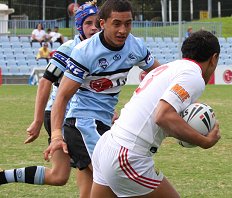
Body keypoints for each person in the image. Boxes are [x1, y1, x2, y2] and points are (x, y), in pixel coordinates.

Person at [43, 0, 160, 197]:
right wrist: (56, 136)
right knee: (115, 179)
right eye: (116, 23)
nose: (123, 30)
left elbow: (159, 73)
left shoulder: (136, 46)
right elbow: (62, 97)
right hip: (82, 124)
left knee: (101, 187)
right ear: (102, 23)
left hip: (107, 125)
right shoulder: (85, 51)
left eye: (128, 23)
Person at [90, 30, 221, 198]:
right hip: (127, 154)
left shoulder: (169, 67)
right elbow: (163, 116)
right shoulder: (193, 76)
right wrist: (204, 141)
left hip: (108, 144)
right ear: (214, 58)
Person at [0, 1, 100, 197]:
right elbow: (45, 82)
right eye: (88, 23)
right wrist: (37, 121)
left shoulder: (100, 49)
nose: (94, 27)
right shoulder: (70, 49)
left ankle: (3, 177)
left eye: (97, 23)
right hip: (61, 116)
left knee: (59, 176)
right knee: (98, 171)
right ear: (79, 26)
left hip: (81, 116)